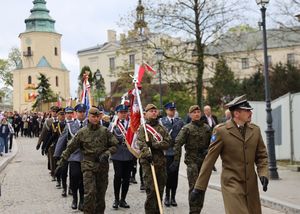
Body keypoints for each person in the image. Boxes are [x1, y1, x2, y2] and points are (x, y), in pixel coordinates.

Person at [191, 95, 269, 214]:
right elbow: (209, 160)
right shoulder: (221, 131)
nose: (251, 113)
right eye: (247, 110)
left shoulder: (255, 130)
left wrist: (263, 173)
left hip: (251, 186)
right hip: (232, 184)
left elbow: (261, 156)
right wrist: (199, 187)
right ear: (236, 114)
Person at [56, 107, 118, 214]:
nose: (95, 119)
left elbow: (115, 145)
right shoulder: (82, 132)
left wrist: (107, 153)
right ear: (88, 117)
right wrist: (61, 162)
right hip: (88, 165)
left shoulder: (104, 131)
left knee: (100, 194)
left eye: (97, 117)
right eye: (93, 117)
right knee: (89, 193)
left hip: (102, 166)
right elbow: (70, 148)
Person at [171, 105, 211, 214]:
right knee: (194, 188)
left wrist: (208, 151)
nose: (197, 114)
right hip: (192, 162)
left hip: (204, 162)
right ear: (190, 115)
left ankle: (198, 210)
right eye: (194, 112)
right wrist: (176, 160)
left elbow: (213, 144)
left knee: (202, 188)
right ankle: (193, 211)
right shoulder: (187, 128)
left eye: (198, 112)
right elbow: (177, 143)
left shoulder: (207, 128)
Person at [137, 104, 171, 214]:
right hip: (148, 163)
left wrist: (154, 145)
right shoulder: (143, 129)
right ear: (146, 114)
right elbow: (141, 143)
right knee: (151, 191)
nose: (153, 113)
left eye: (155, 111)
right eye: (151, 111)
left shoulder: (162, 128)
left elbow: (168, 142)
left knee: (160, 191)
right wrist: (148, 153)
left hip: (160, 163)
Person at [160, 102, 185, 207]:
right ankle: (166, 196)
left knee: (174, 175)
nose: (172, 112)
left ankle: (173, 197)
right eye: (170, 110)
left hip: (175, 152)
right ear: (166, 111)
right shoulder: (161, 121)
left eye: (174, 110)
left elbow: (183, 135)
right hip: (166, 152)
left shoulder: (179, 122)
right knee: (167, 175)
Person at [110, 104, 134, 209]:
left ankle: (123, 199)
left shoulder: (132, 124)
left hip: (129, 154)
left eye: (125, 112)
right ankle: (116, 199)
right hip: (117, 154)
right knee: (118, 176)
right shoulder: (113, 125)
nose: (123, 114)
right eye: (121, 113)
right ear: (117, 113)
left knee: (126, 178)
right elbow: (109, 138)